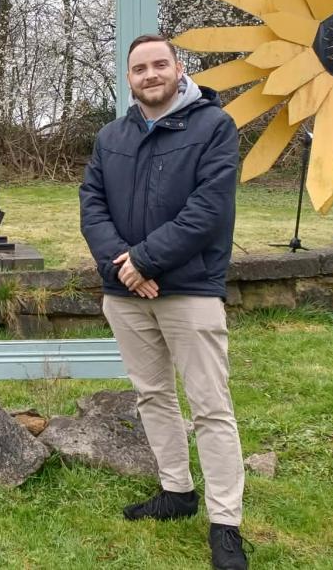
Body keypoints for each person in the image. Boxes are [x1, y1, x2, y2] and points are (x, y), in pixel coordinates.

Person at [79, 34, 248, 570]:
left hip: (190, 288)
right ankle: (176, 491)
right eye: (139, 68)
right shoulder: (111, 136)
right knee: (153, 396)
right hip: (125, 293)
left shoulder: (213, 127)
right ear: (127, 78)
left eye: (159, 64)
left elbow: (209, 210)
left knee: (211, 408)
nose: (150, 75)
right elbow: (92, 206)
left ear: (178, 68)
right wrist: (124, 266)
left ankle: (226, 524)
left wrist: (145, 262)